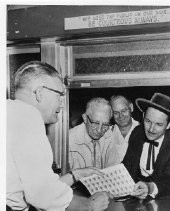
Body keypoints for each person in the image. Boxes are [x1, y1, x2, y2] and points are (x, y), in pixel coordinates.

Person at [7, 61, 110, 211]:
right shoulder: (29, 117)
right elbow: (43, 195)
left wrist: (75, 175)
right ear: (40, 92)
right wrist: (90, 204)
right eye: (60, 94)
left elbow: (34, 184)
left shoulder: (11, 112)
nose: (62, 103)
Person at [122, 93, 170, 199]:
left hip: (168, 199)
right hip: (136, 198)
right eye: (148, 121)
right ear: (143, 116)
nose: (151, 129)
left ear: (169, 125)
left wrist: (149, 187)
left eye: (159, 124)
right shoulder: (137, 132)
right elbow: (127, 165)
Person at [69, 97, 119, 170]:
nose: (99, 130)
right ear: (85, 118)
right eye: (95, 123)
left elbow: (113, 168)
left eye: (105, 124)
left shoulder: (109, 136)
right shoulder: (69, 140)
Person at [110, 95, 139, 162]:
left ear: (131, 107)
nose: (120, 116)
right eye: (116, 113)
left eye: (123, 111)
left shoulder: (144, 131)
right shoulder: (107, 133)